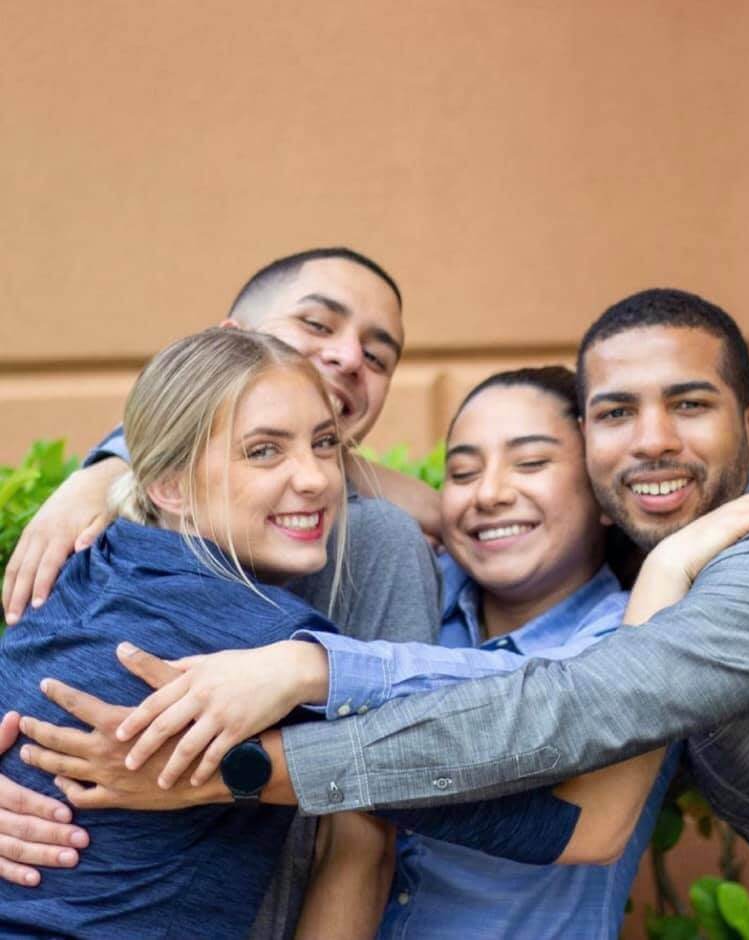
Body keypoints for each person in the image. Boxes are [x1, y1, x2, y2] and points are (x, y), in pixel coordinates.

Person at [32, 288, 749, 939]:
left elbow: (582, 710)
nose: (653, 439)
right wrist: (112, 466)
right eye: (616, 414)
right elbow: (326, 470)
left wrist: (272, 722)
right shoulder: (407, 589)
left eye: (688, 405)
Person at [0, 247, 442, 908]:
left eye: (379, 356)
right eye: (318, 325)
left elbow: (375, 814)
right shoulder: (110, 527)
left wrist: (303, 674)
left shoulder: (372, 540)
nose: (351, 358)